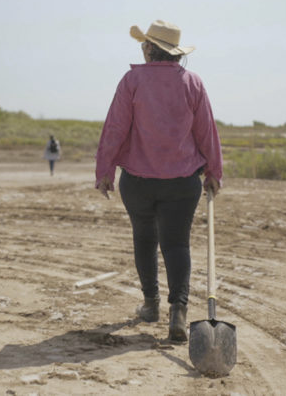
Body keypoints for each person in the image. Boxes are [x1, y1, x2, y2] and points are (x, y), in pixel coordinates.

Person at [95, 20, 223, 342]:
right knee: (176, 244)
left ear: (150, 48)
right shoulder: (192, 82)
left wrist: (105, 171)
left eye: (144, 44)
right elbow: (207, 131)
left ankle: (150, 304)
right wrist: (214, 172)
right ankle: (177, 312)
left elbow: (115, 128)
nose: (141, 47)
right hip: (182, 182)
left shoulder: (132, 80)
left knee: (145, 239)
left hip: (138, 181)